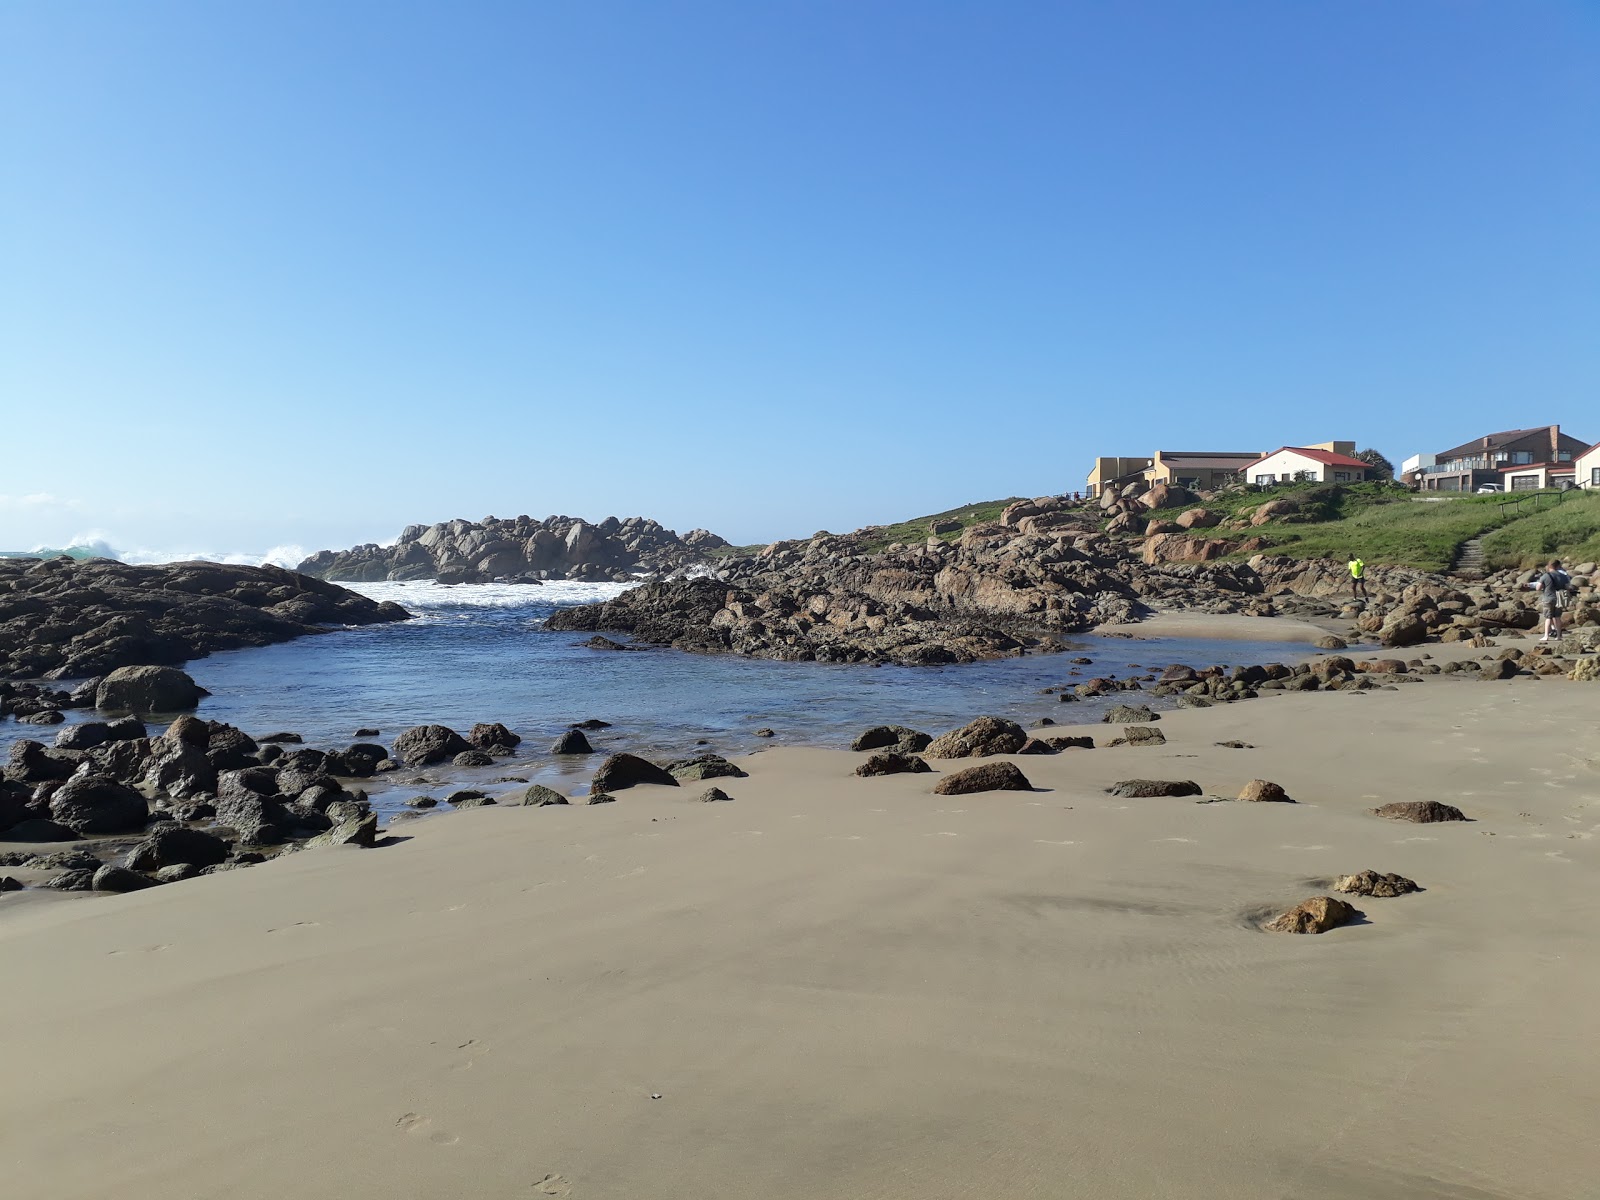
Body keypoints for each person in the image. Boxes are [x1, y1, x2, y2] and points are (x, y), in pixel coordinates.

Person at [1533, 558, 1571, 642]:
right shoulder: (1563, 576)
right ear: (1558, 566)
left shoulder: (1546, 576)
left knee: (1548, 617)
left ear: (1549, 566)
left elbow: (1538, 588)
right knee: (1557, 617)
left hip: (1548, 598)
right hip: (1559, 598)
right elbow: (1568, 587)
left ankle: (1546, 636)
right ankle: (1559, 636)